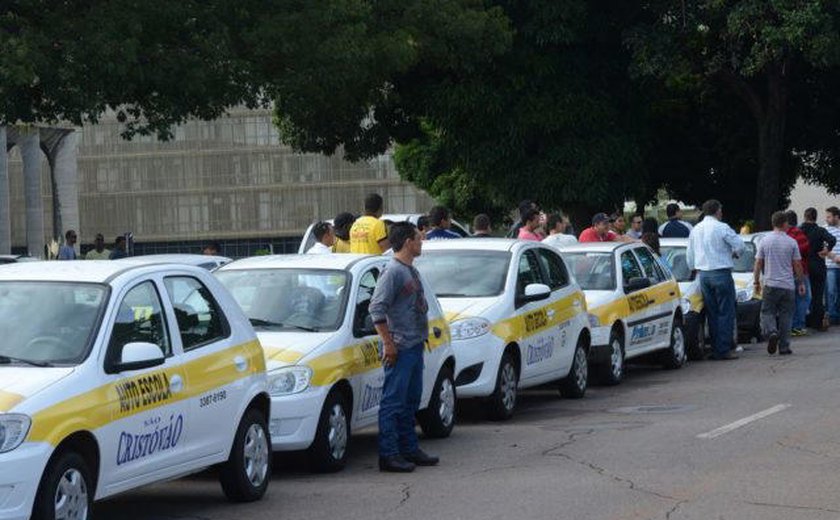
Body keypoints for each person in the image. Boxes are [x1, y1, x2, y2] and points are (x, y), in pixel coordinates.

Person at [368, 222, 438, 473]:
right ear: (408, 242)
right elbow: (377, 308)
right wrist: (388, 343)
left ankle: (409, 448)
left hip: (415, 344)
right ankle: (389, 454)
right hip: (400, 346)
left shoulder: (411, 270)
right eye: (418, 239)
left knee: (411, 400)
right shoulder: (393, 272)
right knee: (393, 402)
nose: (421, 243)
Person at [686, 199, 745, 360]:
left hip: (703, 274)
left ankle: (714, 347)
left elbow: (689, 256)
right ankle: (723, 349)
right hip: (721, 272)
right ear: (717, 211)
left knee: (712, 312)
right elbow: (740, 245)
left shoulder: (696, 229)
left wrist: (694, 267)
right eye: (721, 210)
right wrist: (734, 254)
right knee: (726, 311)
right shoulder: (722, 227)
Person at [754, 211, 806, 355]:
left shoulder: (765, 240)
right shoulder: (791, 242)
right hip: (788, 285)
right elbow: (797, 264)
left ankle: (771, 332)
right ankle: (784, 346)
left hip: (770, 284)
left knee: (767, 312)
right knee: (786, 316)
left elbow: (758, 263)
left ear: (773, 223)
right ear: (785, 224)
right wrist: (801, 283)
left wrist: (756, 281)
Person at [800, 207, 836, 330]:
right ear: (815, 218)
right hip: (817, 265)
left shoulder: (799, 230)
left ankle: (803, 322)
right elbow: (832, 239)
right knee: (818, 295)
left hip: (803, 265)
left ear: (805, 217)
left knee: (802, 296)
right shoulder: (820, 230)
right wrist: (827, 249)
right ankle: (817, 322)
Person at [784, 211, 810, 336]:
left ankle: (787, 327)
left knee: (789, 301)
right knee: (803, 298)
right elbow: (805, 250)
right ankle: (798, 326)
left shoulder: (781, 235)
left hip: (785, 272)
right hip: (800, 270)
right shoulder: (798, 234)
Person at [824, 206, 840, 325]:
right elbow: (822, 248)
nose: (827, 219)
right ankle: (832, 316)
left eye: (829, 217)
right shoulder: (824, 230)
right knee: (830, 291)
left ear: (836, 217)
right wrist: (833, 256)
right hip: (830, 266)